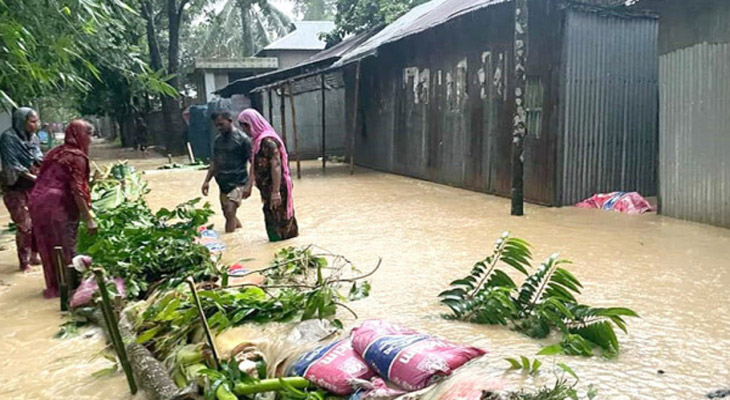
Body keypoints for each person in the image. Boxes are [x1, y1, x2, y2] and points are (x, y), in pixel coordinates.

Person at [29, 120, 97, 299]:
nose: (90, 140)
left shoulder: (54, 152)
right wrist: (88, 217)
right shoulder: (76, 157)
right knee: (65, 245)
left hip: (36, 202)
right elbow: (77, 189)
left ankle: (54, 286)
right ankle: (68, 290)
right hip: (57, 204)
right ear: (81, 135)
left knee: (48, 245)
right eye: (88, 135)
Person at [237, 109, 298, 242]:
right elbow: (255, 164)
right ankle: (277, 245)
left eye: (244, 126)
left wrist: (275, 192)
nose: (244, 130)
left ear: (252, 124)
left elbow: (276, 165)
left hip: (277, 186)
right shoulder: (258, 141)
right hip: (266, 187)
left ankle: (283, 245)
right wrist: (249, 185)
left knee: (279, 217)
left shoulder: (268, 141)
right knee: (270, 214)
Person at [1, 107, 44, 271]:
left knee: (38, 221)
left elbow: (38, 157)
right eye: (32, 122)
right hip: (15, 187)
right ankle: (24, 262)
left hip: (32, 186)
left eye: (36, 121)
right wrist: (34, 177)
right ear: (22, 122)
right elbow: (13, 165)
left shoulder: (33, 138)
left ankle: (35, 255)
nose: (36, 125)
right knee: (24, 225)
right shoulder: (8, 138)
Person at [201, 110, 252, 233]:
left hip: (238, 182)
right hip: (223, 184)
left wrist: (249, 185)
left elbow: (253, 163)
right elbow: (215, 162)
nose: (219, 128)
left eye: (221, 124)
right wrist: (206, 181)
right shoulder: (218, 140)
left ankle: (229, 245)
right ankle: (239, 233)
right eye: (216, 125)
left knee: (229, 212)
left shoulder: (243, 140)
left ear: (230, 121)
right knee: (228, 214)